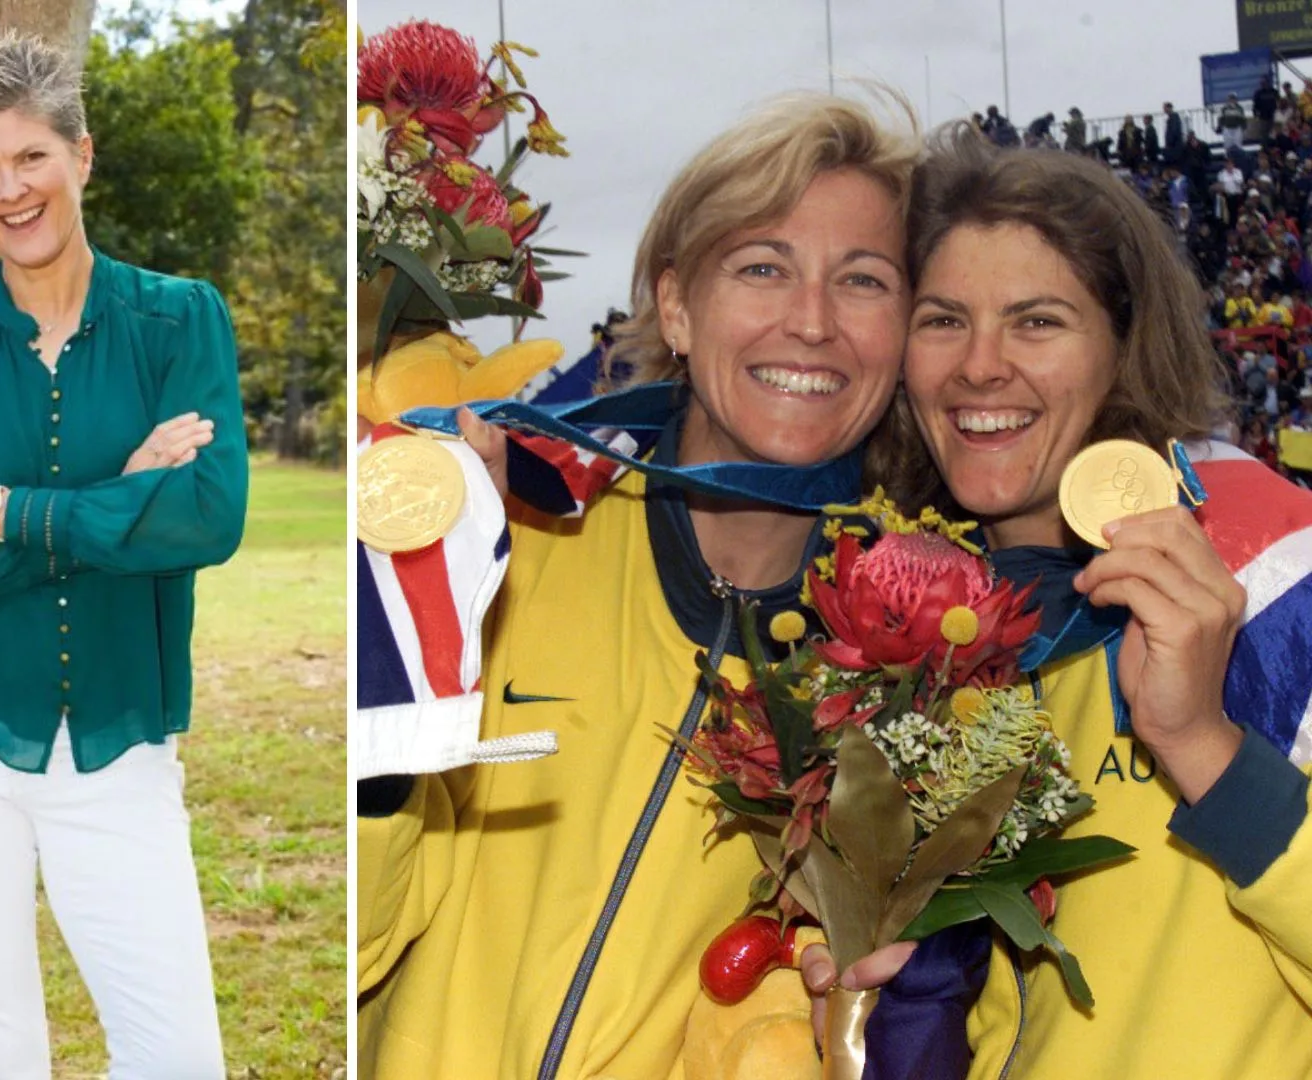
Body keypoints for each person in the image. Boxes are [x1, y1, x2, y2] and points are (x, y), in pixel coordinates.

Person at [357, 92, 922, 1076]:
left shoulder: (911, 658)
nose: (813, 321)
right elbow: (358, 942)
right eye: (762, 267)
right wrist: (399, 695)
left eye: (864, 280)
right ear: (675, 308)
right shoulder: (511, 527)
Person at [0, 31, 245, 1079]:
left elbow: (206, 521)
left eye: (31, 156)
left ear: (82, 153)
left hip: (118, 737)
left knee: (177, 1057)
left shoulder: (180, 320)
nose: (10, 189)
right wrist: (115, 501)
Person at [883, 129, 1312, 1077]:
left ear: (1122, 348)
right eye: (943, 318)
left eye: (1037, 322)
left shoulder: (1272, 569)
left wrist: (1203, 745)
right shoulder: (908, 621)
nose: (981, 366)